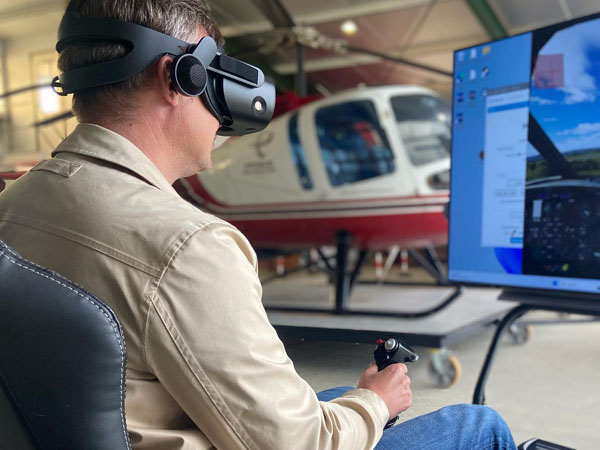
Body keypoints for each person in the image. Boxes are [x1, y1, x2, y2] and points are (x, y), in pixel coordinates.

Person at [0, 1, 517, 449]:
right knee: (479, 424)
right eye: (218, 79)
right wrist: (378, 403)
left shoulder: (14, 202)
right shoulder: (188, 248)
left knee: (334, 398)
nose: (224, 113)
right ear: (175, 78)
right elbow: (302, 445)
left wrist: (357, 403)